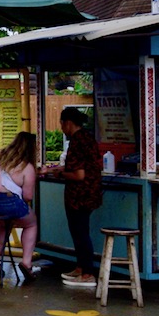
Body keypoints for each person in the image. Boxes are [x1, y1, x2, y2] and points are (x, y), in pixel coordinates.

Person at [43, 107, 102, 286]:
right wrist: (61, 169)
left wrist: (59, 174)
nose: (61, 128)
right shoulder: (87, 138)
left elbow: (78, 175)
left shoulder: (77, 142)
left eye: (61, 123)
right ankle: (80, 267)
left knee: (80, 233)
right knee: (79, 232)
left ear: (68, 122)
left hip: (79, 196)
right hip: (90, 193)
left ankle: (87, 273)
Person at [0, 131, 40, 284]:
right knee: (31, 223)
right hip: (8, 201)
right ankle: (27, 262)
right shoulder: (27, 167)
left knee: (4, 223)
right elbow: (28, 196)